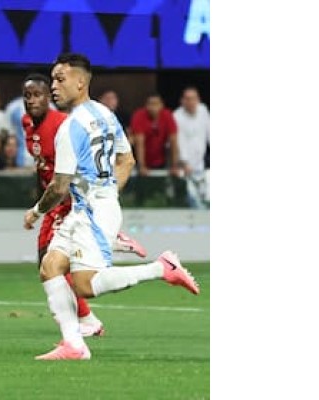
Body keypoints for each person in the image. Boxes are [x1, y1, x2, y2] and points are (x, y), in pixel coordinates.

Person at [25, 53, 199, 360]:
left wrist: (36, 211)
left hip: (90, 212)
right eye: (52, 79)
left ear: (81, 82)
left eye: (60, 79)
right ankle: (74, 345)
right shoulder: (105, 114)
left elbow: (59, 186)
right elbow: (127, 160)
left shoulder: (68, 128)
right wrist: (107, 193)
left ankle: (161, 267)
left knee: (85, 285)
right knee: (51, 266)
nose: (54, 86)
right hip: (91, 208)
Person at [20, 73, 148, 338]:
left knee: (53, 263)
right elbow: (42, 167)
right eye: (27, 96)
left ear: (49, 98)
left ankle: (87, 319)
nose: (32, 101)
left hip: (68, 198)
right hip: (54, 197)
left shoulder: (62, 125)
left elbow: (71, 171)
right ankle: (84, 322)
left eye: (38, 95)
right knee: (51, 264)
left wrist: (83, 203)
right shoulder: (28, 123)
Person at [173, 87, 210, 209]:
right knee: (190, 201)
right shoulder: (177, 116)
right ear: (182, 101)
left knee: (205, 199)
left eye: (193, 99)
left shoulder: (203, 111)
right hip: (183, 167)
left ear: (198, 100)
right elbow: (179, 141)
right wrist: (184, 162)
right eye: (188, 99)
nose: (191, 102)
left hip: (201, 166)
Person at [131, 94, 180, 178]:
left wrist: (174, 165)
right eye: (151, 104)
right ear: (146, 105)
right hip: (140, 159)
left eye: (156, 104)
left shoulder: (167, 115)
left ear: (162, 105)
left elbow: (173, 141)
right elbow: (139, 143)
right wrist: (142, 166)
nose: (153, 107)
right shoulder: (139, 116)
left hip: (161, 159)